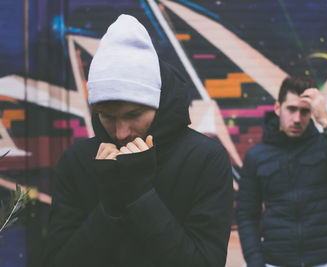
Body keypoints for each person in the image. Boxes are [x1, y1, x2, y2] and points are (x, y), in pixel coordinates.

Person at [43, 14, 233, 267]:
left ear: (158, 104)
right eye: (107, 117)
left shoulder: (205, 159)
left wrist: (140, 196)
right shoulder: (77, 161)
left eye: (133, 115)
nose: (121, 132)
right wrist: (109, 206)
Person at [236, 76, 327, 267]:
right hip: (277, 261)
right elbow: (246, 215)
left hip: (326, 261)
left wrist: (326, 122)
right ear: (277, 108)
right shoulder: (256, 156)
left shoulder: (325, 144)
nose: (297, 119)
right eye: (291, 109)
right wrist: (255, 262)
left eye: (305, 111)